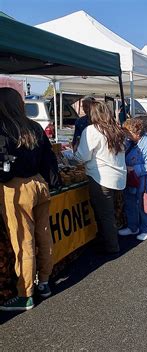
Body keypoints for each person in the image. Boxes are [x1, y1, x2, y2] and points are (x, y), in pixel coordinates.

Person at [0, 87, 60, 311]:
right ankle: (44, 282)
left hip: (17, 188)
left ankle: (25, 294)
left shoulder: (3, 127)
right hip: (39, 185)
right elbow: (49, 158)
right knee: (44, 235)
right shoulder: (33, 126)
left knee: (23, 241)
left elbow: (3, 165)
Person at [75, 101, 126, 255]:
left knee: (105, 214)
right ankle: (109, 241)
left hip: (101, 178)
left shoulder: (92, 130)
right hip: (118, 178)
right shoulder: (117, 129)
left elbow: (82, 156)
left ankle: (111, 247)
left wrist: (76, 152)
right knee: (110, 213)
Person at [119, 118, 147, 241]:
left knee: (143, 205)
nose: (125, 134)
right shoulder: (131, 142)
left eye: (127, 132)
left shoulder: (146, 143)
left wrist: (134, 169)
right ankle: (133, 227)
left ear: (136, 132)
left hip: (144, 181)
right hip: (131, 179)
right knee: (130, 203)